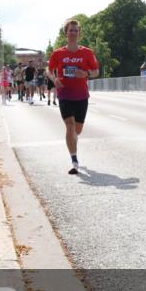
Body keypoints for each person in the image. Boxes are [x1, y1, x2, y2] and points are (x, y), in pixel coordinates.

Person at [46, 20, 100, 175]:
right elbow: (48, 70)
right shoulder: (58, 53)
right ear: (66, 33)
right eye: (71, 30)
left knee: (78, 129)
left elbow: (96, 71)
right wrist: (54, 79)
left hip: (81, 95)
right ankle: (74, 160)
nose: (73, 33)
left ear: (79, 33)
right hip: (64, 94)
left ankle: (74, 143)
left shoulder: (87, 52)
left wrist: (86, 73)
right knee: (69, 125)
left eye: (76, 30)